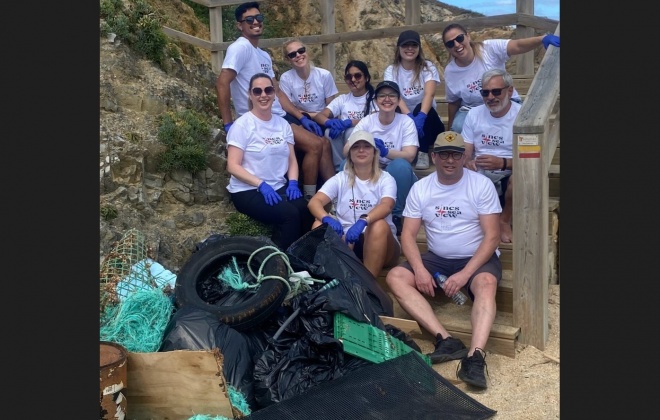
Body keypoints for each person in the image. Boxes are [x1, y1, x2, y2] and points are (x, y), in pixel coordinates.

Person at [385, 131, 502, 389]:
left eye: (456, 154)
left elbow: (492, 237)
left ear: (464, 157)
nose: (450, 160)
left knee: (486, 284)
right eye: (444, 154)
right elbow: (407, 235)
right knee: (395, 276)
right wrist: (419, 268)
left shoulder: (480, 185)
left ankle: (475, 357)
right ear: (434, 157)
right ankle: (446, 339)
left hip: (476, 258)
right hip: (437, 258)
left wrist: (463, 275)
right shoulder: (421, 188)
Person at [216, 2, 335, 202]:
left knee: (323, 141)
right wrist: (228, 122)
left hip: (279, 114)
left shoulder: (263, 55)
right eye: (249, 20)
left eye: (259, 18)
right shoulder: (240, 48)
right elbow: (222, 83)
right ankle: (309, 198)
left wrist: (301, 117)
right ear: (239, 25)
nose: (256, 22)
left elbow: (278, 92)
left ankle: (336, 193)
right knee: (315, 145)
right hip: (262, 116)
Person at [225, 73, 313, 251]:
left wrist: (294, 183)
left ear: (274, 94)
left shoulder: (283, 125)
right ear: (250, 95)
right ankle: (281, 261)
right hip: (248, 190)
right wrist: (260, 184)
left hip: (278, 186)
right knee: (289, 215)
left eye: (268, 90)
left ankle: (305, 256)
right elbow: (232, 166)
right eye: (257, 91)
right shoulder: (242, 125)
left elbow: (291, 159)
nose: (263, 95)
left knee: (305, 209)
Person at [308, 130, 401, 278]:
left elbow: (387, 205)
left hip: (382, 243)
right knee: (318, 224)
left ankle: (368, 286)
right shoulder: (340, 178)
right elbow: (314, 202)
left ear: (374, 152)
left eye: (367, 146)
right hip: (348, 241)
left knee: (378, 225)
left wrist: (364, 221)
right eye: (356, 147)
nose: (362, 150)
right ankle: (329, 279)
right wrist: (326, 218)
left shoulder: (386, 179)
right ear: (350, 153)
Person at [442, 23, 560, 133]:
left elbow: (517, 45)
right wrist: (449, 134)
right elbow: (453, 102)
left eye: (459, 38)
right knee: (458, 127)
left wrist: (542, 39)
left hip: (504, 100)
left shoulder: (488, 49)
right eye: (450, 43)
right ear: (447, 48)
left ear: (468, 36)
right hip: (473, 108)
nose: (457, 45)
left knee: (520, 125)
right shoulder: (450, 71)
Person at [345, 80, 418, 236]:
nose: (387, 99)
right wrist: (361, 144)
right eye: (382, 95)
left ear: (399, 100)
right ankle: (351, 211)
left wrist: (385, 152)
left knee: (400, 166)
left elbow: (410, 155)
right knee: (345, 165)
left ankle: (397, 215)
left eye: (392, 96)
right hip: (372, 166)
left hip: (396, 169)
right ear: (375, 100)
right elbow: (346, 149)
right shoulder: (367, 121)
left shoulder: (406, 122)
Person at [462, 68, 521, 243]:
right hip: (481, 171)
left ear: (510, 91)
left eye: (496, 91)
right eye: (485, 92)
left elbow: (531, 160)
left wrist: (502, 163)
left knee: (520, 178)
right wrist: (468, 162)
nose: (490, 97)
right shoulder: (473, 114)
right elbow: (466, 149)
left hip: (509, 171)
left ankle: (504, 220)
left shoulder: (522, 116)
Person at [384, 30, 445, 170]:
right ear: (399, 48)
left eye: (414, 45)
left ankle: (423, 152)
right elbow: (394, 95)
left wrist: (420, 116)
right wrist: (410, 118)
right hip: (406, 122)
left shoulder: (427, 67)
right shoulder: (391, 70)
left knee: (420, 107)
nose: (410, 49)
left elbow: (429, 94)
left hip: (429, 123)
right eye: (405, 45)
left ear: (419, 48)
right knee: (393, 106)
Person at [312, 60, 378, 172]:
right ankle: (340, 169)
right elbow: (320, 115)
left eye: (357, 76)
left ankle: (357, 166)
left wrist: (349, 123)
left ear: (366, 78)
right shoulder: (343, 99)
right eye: (349, 77)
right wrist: (329, 122)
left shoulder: (374, 98)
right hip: (344, 143)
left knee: (351, 131)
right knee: (329, 131)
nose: (353, 80)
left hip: (367, 139)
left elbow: (376, 118)